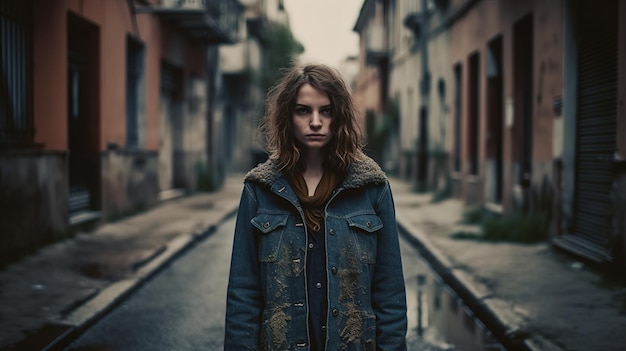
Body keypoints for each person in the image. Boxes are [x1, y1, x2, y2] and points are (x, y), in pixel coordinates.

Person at [224, 63, 407, 350]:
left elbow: (390, 294)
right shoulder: (259, 190)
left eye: (326, 110)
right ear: (288, 116)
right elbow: (243, 296)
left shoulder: (372, 188)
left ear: (340, 116)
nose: (315, 121)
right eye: (303, 110)